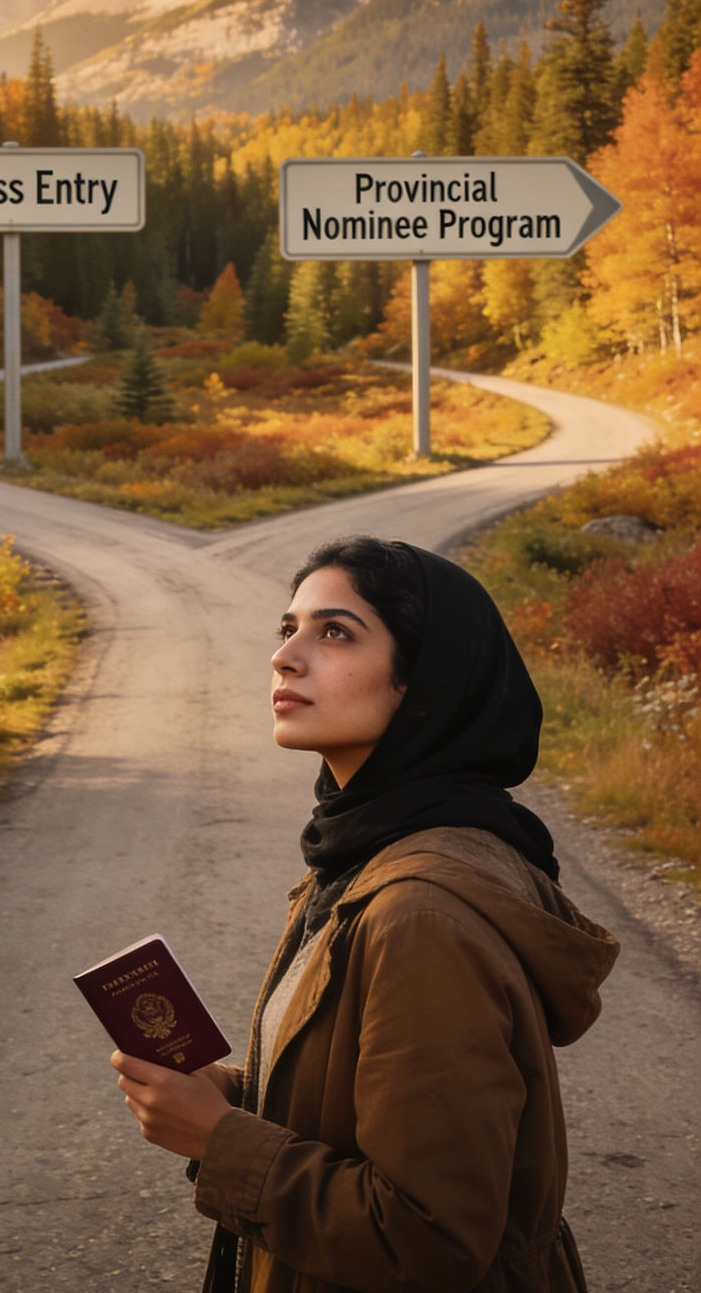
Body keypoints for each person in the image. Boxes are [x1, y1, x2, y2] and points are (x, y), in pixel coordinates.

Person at [111, 536, 619, 1292]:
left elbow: (429, 1238)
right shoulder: (363, 862)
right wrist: (239, 1103)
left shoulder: (420, 914)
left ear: (424, 682)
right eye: (288, 630)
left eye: (335, 631)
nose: (286, 657)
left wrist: (222, 1142)